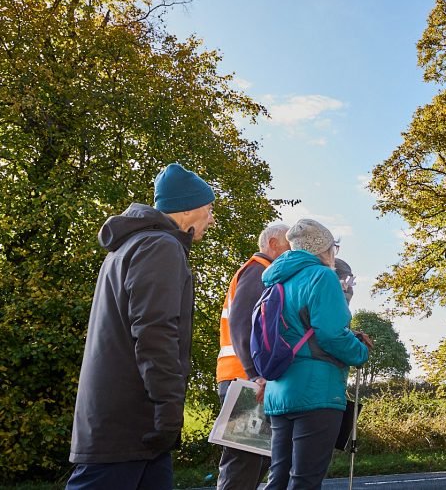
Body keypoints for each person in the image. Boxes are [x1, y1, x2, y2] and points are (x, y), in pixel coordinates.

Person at [67, 163, 216, 489]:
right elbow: (155, 332)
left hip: (129, 422)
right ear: (188, 210)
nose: (211, 217)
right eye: (208, 208)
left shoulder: (132, 246)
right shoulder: (159, 247)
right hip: (130, 422)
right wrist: (167, 407)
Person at [262, 219, 372, 490]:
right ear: (324, 248)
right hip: (316, 390)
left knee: (278, 477)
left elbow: (296, 328)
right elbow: (331, 334)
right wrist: (359, 352)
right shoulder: (322, 276)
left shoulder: (276, 279)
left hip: (279, 389)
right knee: (306, 480)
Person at [214, 223, 290, 490]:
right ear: (272, 244)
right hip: (245, 378)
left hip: (242, 376)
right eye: (288, 246)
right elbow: (241, 323)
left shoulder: (259, 271)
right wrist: (255, 373)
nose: (290, 253)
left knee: (252, 461)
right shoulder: (260, 270)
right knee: (242, 462)